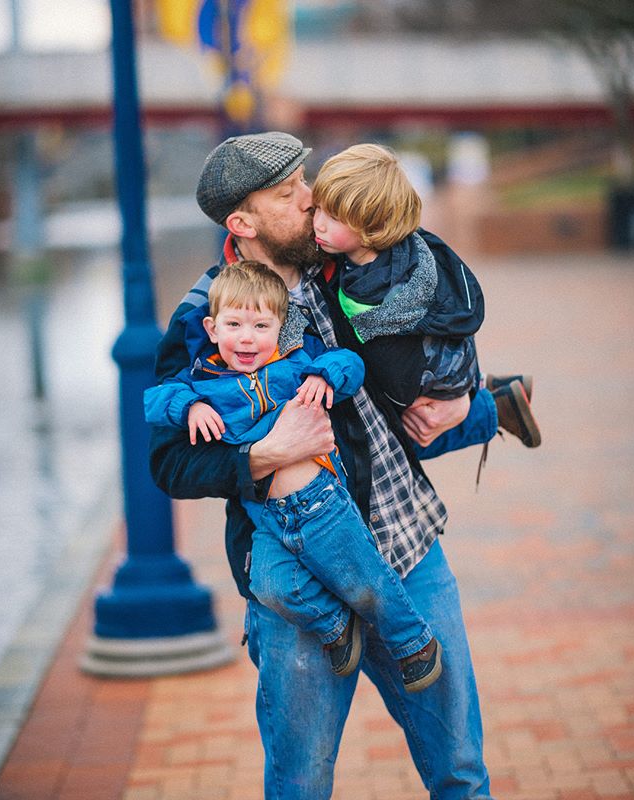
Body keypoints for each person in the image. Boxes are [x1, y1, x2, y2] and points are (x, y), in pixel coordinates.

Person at [149, 130, 495, 799]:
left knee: (460, 773)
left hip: (405, 551)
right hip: (298, 584)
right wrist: (260, 457)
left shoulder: (348, 261)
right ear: (242, 223)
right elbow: (167, 464)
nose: (312, 201)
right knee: (300, 786)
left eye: (306, 181)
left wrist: (469, 407)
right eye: (289, 194)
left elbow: (433, 355)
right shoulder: (208, 316)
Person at [144, 259, 443, 691]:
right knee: (271, 585)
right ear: (211, 329)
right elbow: (156, 401)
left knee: (362, 576)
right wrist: (189, 406)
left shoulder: (295, 361)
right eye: (234, 325)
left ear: (281, 327)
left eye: (261, 327)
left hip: (319, 497)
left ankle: (413, 641)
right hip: (263, 511)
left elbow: (349, 363)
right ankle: (335, 626)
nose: (247, 338)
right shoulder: (203, 378)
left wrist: (325, 375)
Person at [312, 142, 541, 450]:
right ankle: (490, 389)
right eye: (317, 209)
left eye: (333, 217)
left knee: (398, 431)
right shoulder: (400, 253)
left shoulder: (380, 292)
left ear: (373, 225)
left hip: (436, 381)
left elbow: (396, 383)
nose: (318, 223)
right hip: (453, 364)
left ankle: (490, 406)